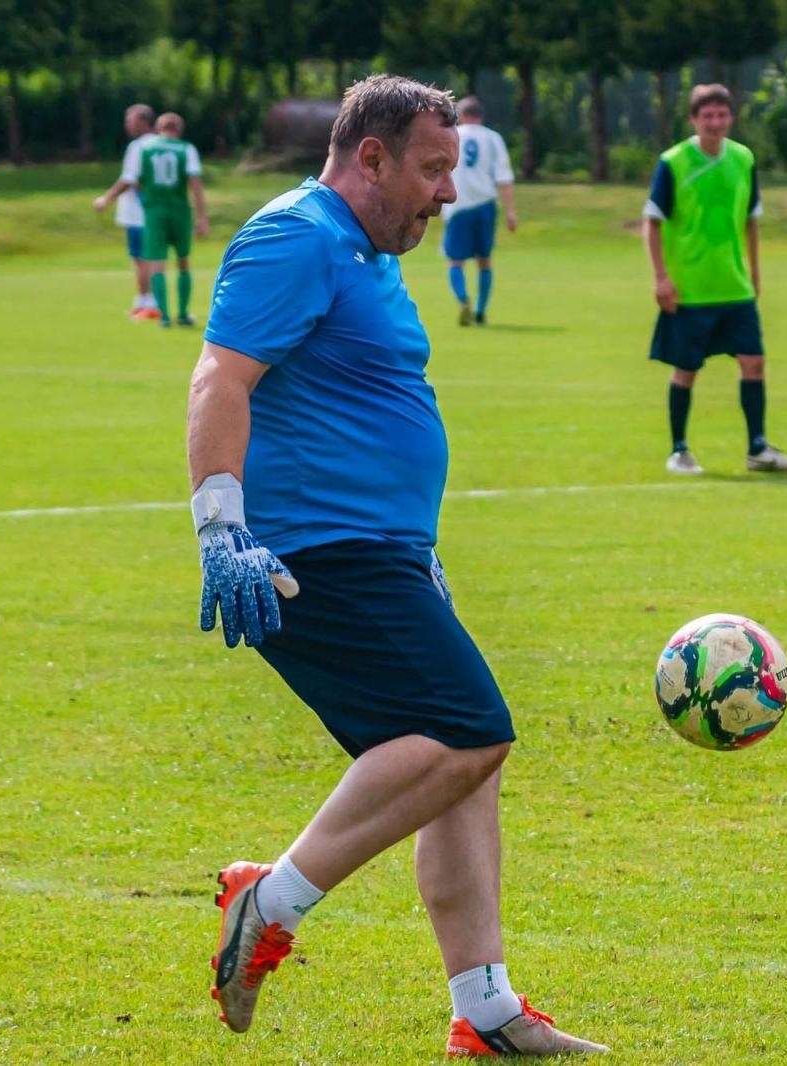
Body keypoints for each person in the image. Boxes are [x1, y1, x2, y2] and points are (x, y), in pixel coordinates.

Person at [185, 74, 608, 1058]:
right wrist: (220, 525)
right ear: (366, 156)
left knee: (463, 770)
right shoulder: (296, 235)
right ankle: (270, 898)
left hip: (384, 554)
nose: (445, 195)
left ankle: (486, 1009)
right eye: (429, 170)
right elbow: (221, 376)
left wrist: (423, 553)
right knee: (469, 732)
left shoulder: (371, 252)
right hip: (311, 555)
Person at [643, 83, 787, 475]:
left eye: (722, 115)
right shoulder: (674, 161)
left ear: (731, 117)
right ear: (693, 120)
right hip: (690, 288)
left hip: (734, 286)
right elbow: (652, 221)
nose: (715, 122)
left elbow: (751, 219)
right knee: (686, 369)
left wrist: (754, 271)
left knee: (754, 362)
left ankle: (758, 448)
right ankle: (679, 450)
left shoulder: (743, 158)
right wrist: (661, 278)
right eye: (707, 116)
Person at [97, 111, 209, 328]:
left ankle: (164, 316)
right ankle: (183, 313)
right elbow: (195, 184)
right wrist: (202, 217)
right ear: (179, 130)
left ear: (158, 128)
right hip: (179, 210)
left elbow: (134, 180)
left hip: (154, 212)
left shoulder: (145, 149)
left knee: (156, 263)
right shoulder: (186, 149)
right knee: (183, 261)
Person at [442, 96, 517, 326]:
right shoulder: (493, 138)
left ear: (460, 115)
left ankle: (463, 300)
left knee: (455, 261)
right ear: (480, 116)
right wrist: (511, 211)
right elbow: (504, 178)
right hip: (485, 205)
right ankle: (481, 310)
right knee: (484, 260)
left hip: (458, 206)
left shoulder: (452, 136)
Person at [93, 104, 160, 320]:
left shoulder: (139, 147)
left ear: (143, 121)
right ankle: (144, 302)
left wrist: (106, 198)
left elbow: (130, 179)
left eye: (131, 120)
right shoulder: (163, 144)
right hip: (157, 209)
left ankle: (149, 304)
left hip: (139, 211)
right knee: (149, 256)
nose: (127, 124)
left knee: (141, 258)